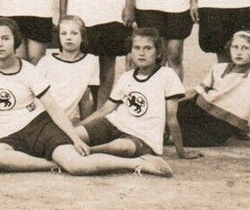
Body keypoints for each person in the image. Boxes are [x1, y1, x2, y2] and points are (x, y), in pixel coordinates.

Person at [0, 19, 171, 176]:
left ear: (15, 42)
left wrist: (74, 136)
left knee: (78, 167)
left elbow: (52, 107)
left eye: (5, 39)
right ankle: (51, 164)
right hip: (11, 135)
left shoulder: (29, 70)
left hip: (40, 128)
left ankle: (138, 164)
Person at [77, 27, 198, 160]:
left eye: (147, 48)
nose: (141, 53)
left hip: (142, 136)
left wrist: (181, 152)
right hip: (114, 124)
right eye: (136, 48)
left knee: (121, 147)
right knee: (77, 133)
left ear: (158, 53)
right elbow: (104, 110)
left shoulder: (167, 75)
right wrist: (75, 128)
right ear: (131, 52)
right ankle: (76, 147)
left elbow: (171, 118)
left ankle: (86, 152)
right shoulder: (126, 77)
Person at [175, 30, 250, 151]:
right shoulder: (218, 68)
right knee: (169, 115)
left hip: (222, 124)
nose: (239, 52)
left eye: (245, 48)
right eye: (235, 47)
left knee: (192, 139)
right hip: (197, 108)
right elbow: (195, 92)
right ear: (229, 49)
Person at [35, 15, 98, 120]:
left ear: (82, 37)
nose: (68, 37)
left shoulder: (90, 61)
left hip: (66, 120)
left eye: (74, 33)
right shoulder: (47, 61)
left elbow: (86, 100)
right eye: (63, 33)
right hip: (41, 116)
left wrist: (85, 127)